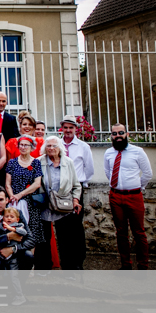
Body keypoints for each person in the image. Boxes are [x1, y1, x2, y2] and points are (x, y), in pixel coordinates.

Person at [104, 123, 153, 270]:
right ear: (111, 136)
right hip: (115, 197)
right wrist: (117, 185)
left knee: (139, 232)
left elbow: (148, 173)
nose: (118, 136)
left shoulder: (138, 152)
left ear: (127, 134)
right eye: (114, 134)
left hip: (134, 196)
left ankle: (143, 266)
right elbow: (108, 173)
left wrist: (137, 187)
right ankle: (126, 265)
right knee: (121, 232)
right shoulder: (108, 153)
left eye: (121, 133)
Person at [0, 186, 34, 306]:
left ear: (7, 200)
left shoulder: (15, 213)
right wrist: (8, 237)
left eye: (1, 199)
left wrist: (13, 249)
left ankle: (18, 291)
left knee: (28, 256)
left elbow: (30, 239)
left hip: (13, 252)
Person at [35, 136, 83, 270]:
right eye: (48, 146)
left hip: (64, 204)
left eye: (54, 146)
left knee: (66, 239)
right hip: (45, 204)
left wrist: (75, 200)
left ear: (60, 148)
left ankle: (69, 267)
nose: (51, 149)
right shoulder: (38, 162)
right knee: (43, 239)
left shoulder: (68, 162)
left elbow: (76, 185)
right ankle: (44, 267)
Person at [60, 114, 94, 268]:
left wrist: (79, 183)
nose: (68, 130)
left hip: (76, 189)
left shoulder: (83, 147)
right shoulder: (57, 144)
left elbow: (90, 169)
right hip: (60, 191)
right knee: (62, 227)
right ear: (62, 128)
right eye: (65, 127)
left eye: (71, 127)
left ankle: (78, 261)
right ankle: (65, 262)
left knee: (76, 227)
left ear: (76, 129)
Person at [5, 136, 44, 245]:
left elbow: (37, 184)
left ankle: (30, 261)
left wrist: (20, 195)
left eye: (26, 145)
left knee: (31, 235)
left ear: (32, 148)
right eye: (21, 145)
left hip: (30, 202)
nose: (23, 147)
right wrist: (13, 197)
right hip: (14, 202)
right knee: (13, 231)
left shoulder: (36, 163)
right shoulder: (12, 163)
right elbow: (8, 183)